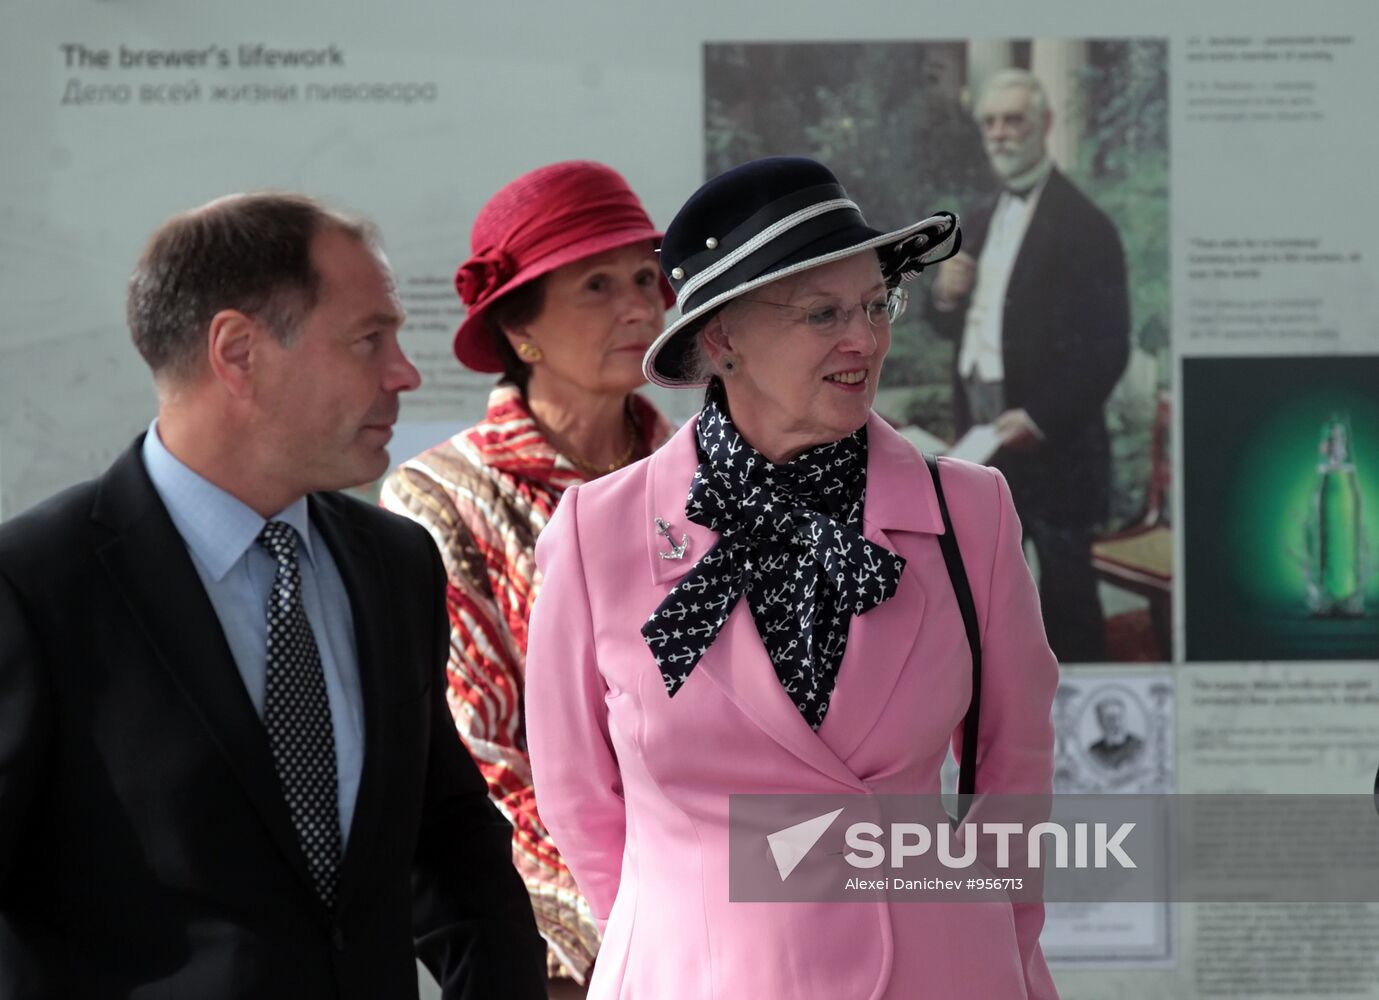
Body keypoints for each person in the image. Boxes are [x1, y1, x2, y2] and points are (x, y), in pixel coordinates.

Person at [525, 157, 1061, 999]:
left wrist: (998, 947)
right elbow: (577, 796)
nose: (865, 339)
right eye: (823, 314)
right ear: (721, 339)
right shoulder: (596, 534)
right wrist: (672, 929)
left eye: (875, 305)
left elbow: (1013, 768)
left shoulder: (971, 512)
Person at [0, 194, 547, 999]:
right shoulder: (34, 585)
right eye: (370, 339)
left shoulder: (394, 564)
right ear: (238, 351)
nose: (406, 372)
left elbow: (448, 844)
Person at [380, 160, 675, 991]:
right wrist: (625, 924)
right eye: (596, 285)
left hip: (728, 930)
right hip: (558, 949)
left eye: (646, 277)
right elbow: (479, 761)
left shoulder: (705, 481)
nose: (638, 306)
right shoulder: (439, 498)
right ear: (521, 330)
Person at [928, 68, 1131, 663]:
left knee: (1067, 598)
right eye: (991, 122)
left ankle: (1087, 728)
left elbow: (1106, 349)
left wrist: (1039, 417)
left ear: (1044, 126)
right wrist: (945, 295)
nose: (1001, 133)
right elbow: (950, 325)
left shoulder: (1086, 227)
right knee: (990, 599)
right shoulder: (981, 215)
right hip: (982, 431)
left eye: (1014, 120)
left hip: (1055, 445)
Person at [1086, 695, 1144, 770]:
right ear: (1100, 722)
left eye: (1120, 717)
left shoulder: (1139, 747)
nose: (1116, 724)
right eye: (1110, 719)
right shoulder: (1093, 752)